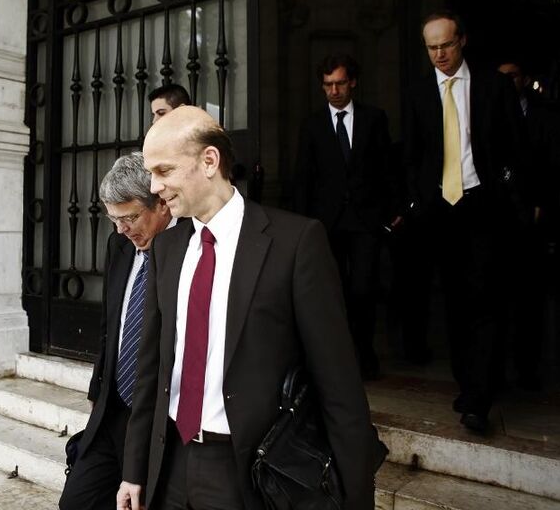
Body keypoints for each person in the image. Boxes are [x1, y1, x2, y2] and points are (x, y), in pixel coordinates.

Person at [117, 106, 377, 510]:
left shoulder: (295, 244)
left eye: (164, 171)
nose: (154, 187)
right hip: (169, 465)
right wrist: (134, 470)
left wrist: (356, 495)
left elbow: (338, 382)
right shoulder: (166, 249)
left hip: (249, 473)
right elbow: (151, 369)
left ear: (209, 161)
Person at [403, 11, 522, 433]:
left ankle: (479, 398)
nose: (439, 54)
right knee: (454, 302)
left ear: (462, 41)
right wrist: (420, 200)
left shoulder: (493, 85)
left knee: (484, 300)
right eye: (431, 47)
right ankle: (468, 383)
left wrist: (503, 190)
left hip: (482, 207)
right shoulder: (418, 92)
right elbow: (413, 154)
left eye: (446, 45)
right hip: (441, 211)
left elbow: (514, 148)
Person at [59, 152, 174, 510]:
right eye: (114, 220)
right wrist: (98, 386)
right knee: (76, 502)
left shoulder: (186, 249)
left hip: (158, 412)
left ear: (161, 204)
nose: (123, 229)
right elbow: (113, 324)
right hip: (113, 407)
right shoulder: (119, 245)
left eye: (131, 218)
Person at [294, 53, 400, 380]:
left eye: (340, 83)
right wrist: (303, 224)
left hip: (366, 220)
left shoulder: (374, 118)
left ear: (352, 82)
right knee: (333, 291)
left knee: (364, 289)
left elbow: (387, 168)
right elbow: (304, 178)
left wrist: (393, 211)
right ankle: (339, 358)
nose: (334, 90)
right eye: (328, 85)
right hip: (327, 223)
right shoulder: (312, 125)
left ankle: (365, 353)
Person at [494, 60, 560, 390]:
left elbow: (559, 166)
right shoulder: (489, 117)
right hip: (497, 219)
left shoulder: (545, 118)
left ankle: (528, 367)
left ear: (524, 79)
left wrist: (539, 203)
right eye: (501, 78)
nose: (507, 83)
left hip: (533, 217)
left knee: (529, 299)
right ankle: (494, 370)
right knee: (495, 299)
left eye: (512, 76)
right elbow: (496, 166)